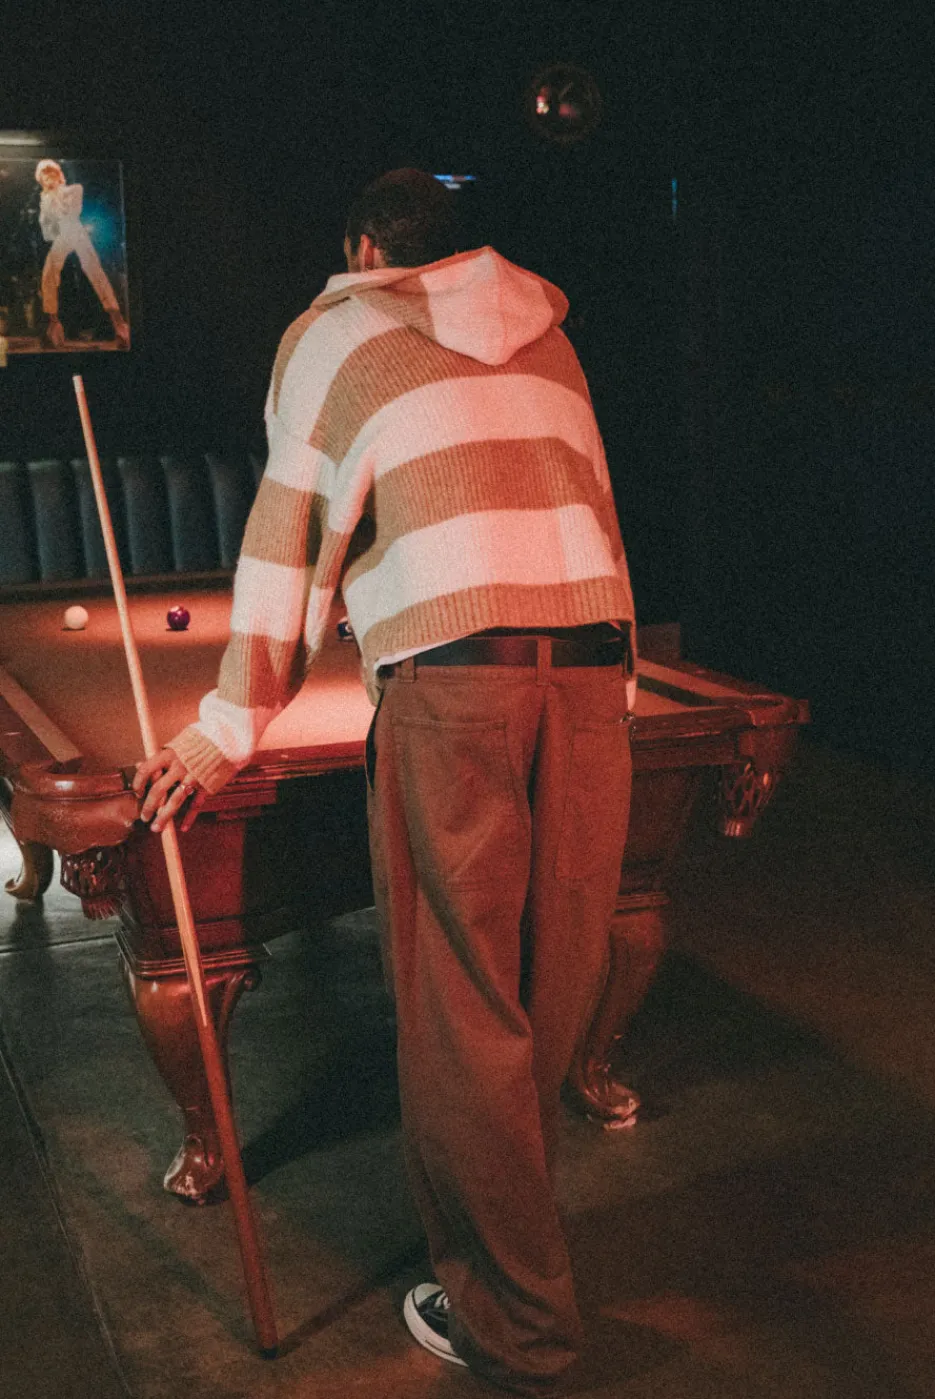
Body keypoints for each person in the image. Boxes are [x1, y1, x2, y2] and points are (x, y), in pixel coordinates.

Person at [135, 168, 637, 1396]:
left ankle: (517, 1325)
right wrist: (612, 693)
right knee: (544, 989)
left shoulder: (337, 327)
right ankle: (513, 1272)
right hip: (590, 675)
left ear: (364, 249)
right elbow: (597, 511)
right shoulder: (554, 335)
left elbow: (292, 529)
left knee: (464, 1010)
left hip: (455, 687)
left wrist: (227, 724)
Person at [35, 159, 129, 349]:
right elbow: (48, 232)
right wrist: (47, 203)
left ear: (58, 175)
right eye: (43, 176)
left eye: (50, 174)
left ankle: (119, 323)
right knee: (49, 273)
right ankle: (54, 324)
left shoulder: (74, 189)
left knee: (95, 272)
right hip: (63, 236)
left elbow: (72, 214)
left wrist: (55, 196)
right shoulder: (45, 199)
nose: (47, 178)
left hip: (75, 231)